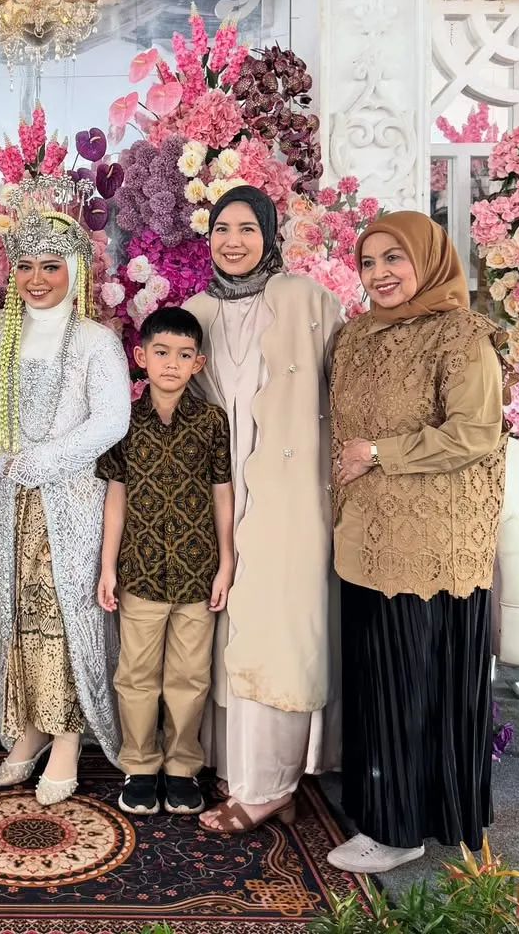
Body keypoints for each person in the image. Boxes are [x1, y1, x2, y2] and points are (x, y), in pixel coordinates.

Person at [327, 211, 505, 874]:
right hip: (364, 540)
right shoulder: (355, 336)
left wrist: (379, 453)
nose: (380, 274)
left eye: (394, 258)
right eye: (368, 262)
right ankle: (388, 813)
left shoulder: (462, 335)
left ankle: (400, 829)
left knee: (411, 685)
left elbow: (476, 433)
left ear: (428, 260)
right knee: (376, 685)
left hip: (430, 544)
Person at [0, 209, 131, 805]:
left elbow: (112, 420)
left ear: (75, 270)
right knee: (17, 613)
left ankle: (67, 735)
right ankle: (29, 728)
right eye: (24, 266)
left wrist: (43, 461)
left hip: (69, 502)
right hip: (8, 500)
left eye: (51, 266)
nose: (37, 279)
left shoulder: (97, 341)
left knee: (63, 615)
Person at [182, 184, 343, 833]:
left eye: (248, 228)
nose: (234, 241)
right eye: (222, 228)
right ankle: (236, 767)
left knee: (281, 629)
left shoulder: (308, 300)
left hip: (291, 495)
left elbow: (346, 389)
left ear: (270, 235)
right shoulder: (195, 312)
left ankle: (271, 784)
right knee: (226, 628)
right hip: (219, 496)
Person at [96, 306, 234, 817]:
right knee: (136, 675)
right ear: (141, 357)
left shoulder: (212, 422)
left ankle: (181, 768)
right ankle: (139, 765)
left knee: (190, 677)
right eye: (161, 352)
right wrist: (108, 567)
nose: (171, 364)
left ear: (198, 363)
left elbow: (222, 493)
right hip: (141, 571)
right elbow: (116, 496)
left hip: (198, 573)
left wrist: (226, 562)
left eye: (183, 355)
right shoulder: (124, 422)